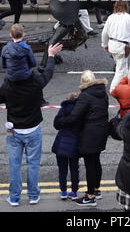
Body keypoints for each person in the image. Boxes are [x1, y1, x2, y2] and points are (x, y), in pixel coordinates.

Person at [0, 43, 63, 207]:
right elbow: (48, 73)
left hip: (14, 130)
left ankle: (14, 197)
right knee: (33, 164)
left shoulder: (8, 85)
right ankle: (33, 195)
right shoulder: (35, 82)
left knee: (15, 165)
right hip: (32, 129)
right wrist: (51, 55)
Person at [54, 70, 109, 207]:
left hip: (90, 133)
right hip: (102, 130)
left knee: (90, 163)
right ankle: (96, 190)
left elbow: (75, 116)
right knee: (96, 160)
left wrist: (61, 122)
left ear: (83, 82)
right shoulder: (102, 93)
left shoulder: (85, 96)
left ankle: (90, 197)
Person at [101, 0, 130, 92]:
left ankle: (124, 87)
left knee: (122, 67)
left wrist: (104, 45)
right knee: (120, 70)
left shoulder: (110, 17)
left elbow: (104, 33)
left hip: (112, 46)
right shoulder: (129, 18)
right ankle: (113, 89)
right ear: (126, 7)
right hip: (122, 47)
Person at [52, 92, 81, 201]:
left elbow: (56, 125)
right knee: (74, 169)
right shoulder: (80, 111)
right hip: (75, 143)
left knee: (62, 169)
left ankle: (63, 191)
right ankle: (74, 191)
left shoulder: (63, 109)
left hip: (61, 143)